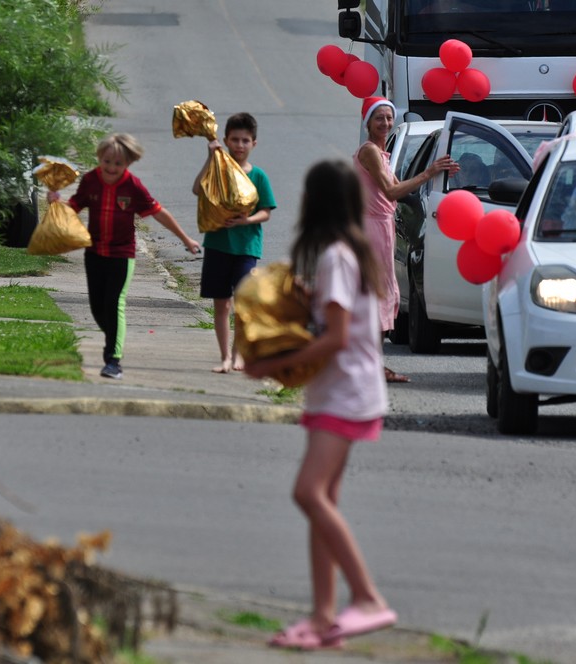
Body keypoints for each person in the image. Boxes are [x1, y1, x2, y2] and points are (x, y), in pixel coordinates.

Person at [245, 160, 397, 651]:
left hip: (345, 392)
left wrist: (270, 367)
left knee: (308, 495)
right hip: (347, 390)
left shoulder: (335, 256)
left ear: (316, 203)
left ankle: (368, 597)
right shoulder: (350, 253)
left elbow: (333, 339)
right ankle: (322, 617)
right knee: (322, 503)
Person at [50, 133, 201, 380]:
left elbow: (159, 213)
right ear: (100, 158)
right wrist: (57, 202)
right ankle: (113, 340)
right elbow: (74, 207)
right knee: (97, 307)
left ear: (128, 164)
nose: (111, 168)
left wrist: (186, 239)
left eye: (118, 164)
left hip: (122, 254)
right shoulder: (90, 180)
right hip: (94, 252)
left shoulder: (134, 186)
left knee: (114, 303)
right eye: (107, 161)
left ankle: (113, 361)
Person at [354, 96, 458, 383]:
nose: (386, 123)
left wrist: (439, 174)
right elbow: (390, 192)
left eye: (389, 118)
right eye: (379, 118)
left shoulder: (380, 152)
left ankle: (373, 365)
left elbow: (395, 187)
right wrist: (429, 172)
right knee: (377, 295)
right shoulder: (370, 152)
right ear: (368, 122)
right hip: (372, 229)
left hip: (382, 227)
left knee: (385, 295)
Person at [192, 112, 277, 374]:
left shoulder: (259, 176)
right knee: (221, 304)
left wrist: (246, 220)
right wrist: (210, 157)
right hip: (217, 245)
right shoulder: (217, 169)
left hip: (246, 248)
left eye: (245, 140)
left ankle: (238, 355)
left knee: (242, 306)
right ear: (226, 140)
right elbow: (197, 189)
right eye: (235, 140)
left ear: (254, 143)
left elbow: (266, 211)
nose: (240, 145)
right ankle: (224, 357)